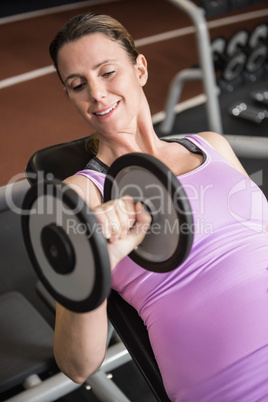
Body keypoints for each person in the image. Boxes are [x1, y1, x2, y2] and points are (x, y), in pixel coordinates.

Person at [49, 13, 268, 401]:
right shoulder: (82, 195)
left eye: (108, 72)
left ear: (141, 69)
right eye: (78, 85)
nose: (96, 94)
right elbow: (77, 364)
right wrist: (96, 259)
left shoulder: (211, 145)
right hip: (239, 382)